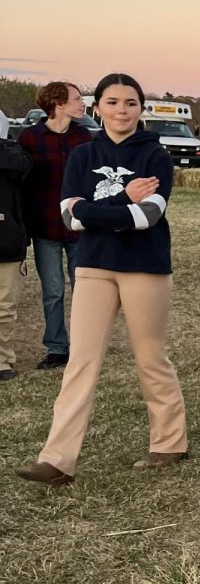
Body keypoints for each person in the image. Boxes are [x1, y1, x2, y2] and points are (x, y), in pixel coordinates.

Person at [15, 73, 188, 487]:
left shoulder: (156, 157)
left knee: (150, 356)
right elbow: (70, 217)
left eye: (130, 103)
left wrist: (98, 210)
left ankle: (170, 442)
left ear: (140, 109)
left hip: (144, 266)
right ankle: (57, 459)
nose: (121, 110)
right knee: (80, 361)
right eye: (112, 102)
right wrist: (121, 200)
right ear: (98, 108)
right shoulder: (81, 156)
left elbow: (148, 217)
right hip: (93, 266)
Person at [17, 81, 93, 369]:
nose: (82, 103)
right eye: (76, 99)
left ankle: (86, 345)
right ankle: (57, 348)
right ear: (59, 103)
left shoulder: (84, 136)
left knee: (84, 289)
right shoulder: (29, 137)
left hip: (80, 226)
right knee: (53, 290)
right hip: (45, 227)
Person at [0, 110, 33, 382]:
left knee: (4, 305)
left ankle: (2, 361)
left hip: (7, 240)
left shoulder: (13, 155)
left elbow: (21, 166)